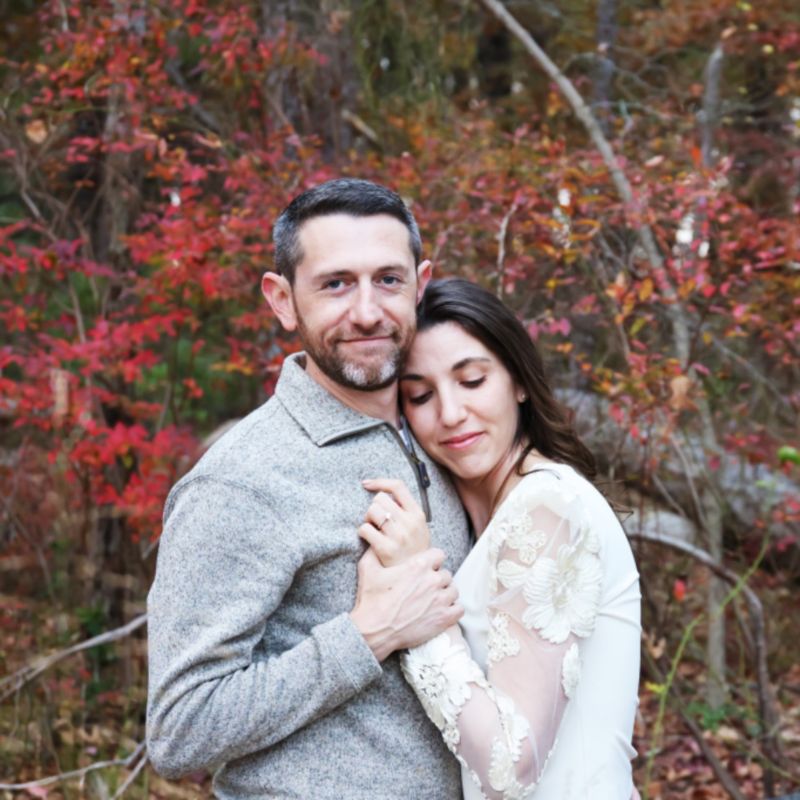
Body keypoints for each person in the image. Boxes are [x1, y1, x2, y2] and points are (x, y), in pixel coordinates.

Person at [146, 179, 470, 799]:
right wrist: (369, 634)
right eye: (336, 284)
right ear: (283, 300)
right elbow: (180, 731)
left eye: (388, 280)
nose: (368, 312)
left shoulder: (446, 436)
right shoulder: (240, 482)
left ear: (420, 286)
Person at [359, 278, 641, 799]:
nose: (450, 414)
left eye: (472, 381)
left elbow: (513, 764)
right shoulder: (498, 515)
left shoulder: (546, 508)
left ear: (519, 381)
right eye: (421, 395)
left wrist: (419, 607)